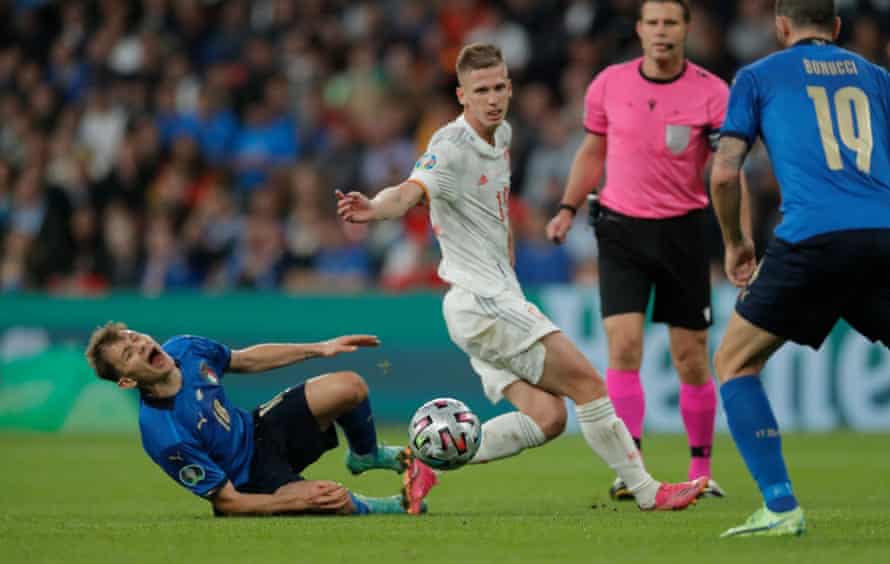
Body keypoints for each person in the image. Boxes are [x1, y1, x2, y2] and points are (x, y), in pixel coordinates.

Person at [336, 42, 707, 514]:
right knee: (589, 385)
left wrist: (505, 245)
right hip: (482, 302)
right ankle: (648, 492)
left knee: (549, 417)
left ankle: (423, 463)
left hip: (488, 300)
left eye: (498, 88)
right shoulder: (449, 146)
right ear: (461, 96)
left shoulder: (503, 134)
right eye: (480, 91)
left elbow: (491, 209)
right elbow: (410, 191)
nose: (491, 98)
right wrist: (374, 208)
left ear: (509, 88)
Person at [710, 0, 890, 537]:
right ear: (836, 28)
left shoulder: (759, 76)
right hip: (882, 235)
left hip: (812, 237)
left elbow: (723, 174)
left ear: (782, 26)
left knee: (735, 362)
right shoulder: (877, 77)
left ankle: (780, 504)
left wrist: (736, 243)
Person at [547, 0, 739, 500]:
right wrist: (568, 207)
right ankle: (631, 469)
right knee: (624, 346)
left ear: (685, 28)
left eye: (670, 22)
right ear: (639, 29)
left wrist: (738, 237)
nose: (660, 31)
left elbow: (726, 170)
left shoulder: (712, 92)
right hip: (620, 229)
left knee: (690, 356)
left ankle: (701, 469)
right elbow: (592, 151)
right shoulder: (609, 84)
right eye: (652, 22)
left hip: (682, 232)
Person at [84, 321, 435, 516]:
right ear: (127, 380)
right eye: (129, 353)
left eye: (135, 338)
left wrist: (319, 347)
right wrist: (291, 501)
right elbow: (227, 501)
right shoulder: (163, 433)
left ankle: (366, 455)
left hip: (259, 428)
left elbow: (245, 360)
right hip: (251, 480)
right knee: (333, 497)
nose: (142, 346)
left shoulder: (184, 348)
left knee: (350, 386)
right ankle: (395, 506)